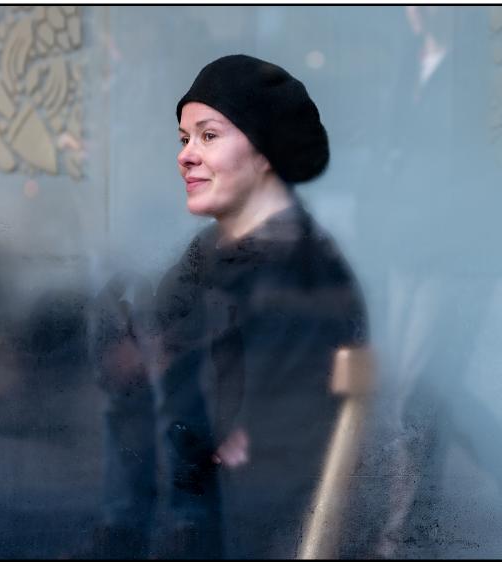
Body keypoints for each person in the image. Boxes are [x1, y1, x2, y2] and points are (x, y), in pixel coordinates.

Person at [155, 54, 369, 559]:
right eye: (184, 139)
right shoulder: (206, 255)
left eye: (208, 136)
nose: (186, 155)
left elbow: (269, 455)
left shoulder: (305, 276)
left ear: (265, 151)